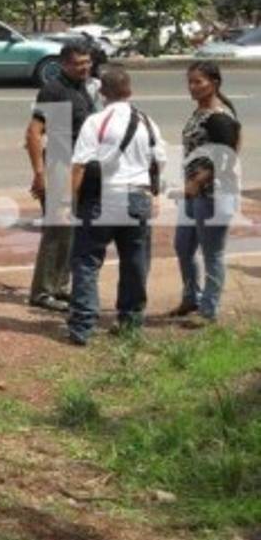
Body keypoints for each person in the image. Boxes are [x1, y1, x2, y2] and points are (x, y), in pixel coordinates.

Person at [66, 65, 166, 345]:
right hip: (137, 197)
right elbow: (159, 161)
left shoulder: (96, 122)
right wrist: (154, 194)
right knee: (135, 261)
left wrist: (70, 202)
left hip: (102, 198)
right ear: (130, 91)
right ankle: (130, 322)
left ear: (102, 92)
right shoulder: (147, 122)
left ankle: (82, 327)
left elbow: (80, 166)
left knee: (86, 261)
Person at [24, 43, 96, 311]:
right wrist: (39, 175)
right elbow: (33, 133)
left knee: (72, 232)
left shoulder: (82, 88)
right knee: (58, 231)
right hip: (58, 168)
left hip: (77, 169)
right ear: (65, 64)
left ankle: (60, 286)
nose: (85, 67)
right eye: (79, 63)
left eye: (87, 62)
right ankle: (42, 292)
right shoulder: (54, 90)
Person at [171, 61, 242, 327]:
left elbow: (227, 156)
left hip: (214, 195)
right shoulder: (200, 113)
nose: (193, 86)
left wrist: (198, 181)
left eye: (198, 82)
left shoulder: (219, 116)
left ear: (214, 83)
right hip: (194, 194)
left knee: (212, 253)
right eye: (190, 82)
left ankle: (209, 310)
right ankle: (191, 297)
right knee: (183, 246)